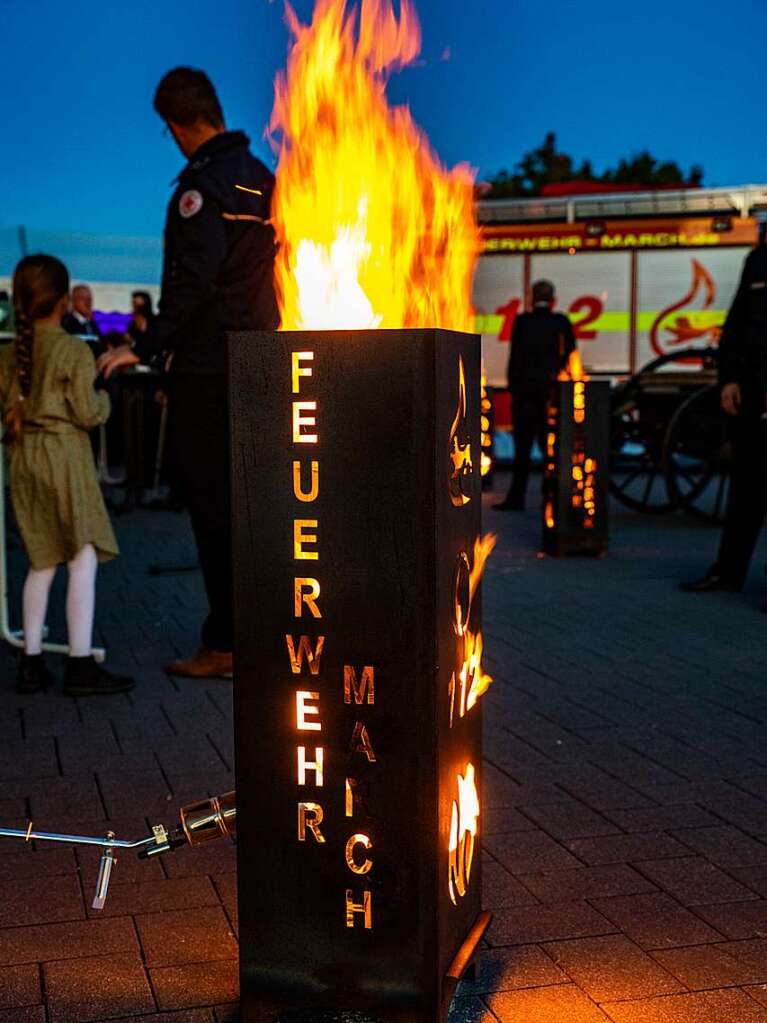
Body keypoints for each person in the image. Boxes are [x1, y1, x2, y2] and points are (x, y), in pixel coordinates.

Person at [99, 67, 279, 680]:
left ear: (175, 123)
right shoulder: (263, 181)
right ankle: (267, 632)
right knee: (257, 506)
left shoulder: (200, 188)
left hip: (208, 369)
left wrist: (143, 347)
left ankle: (226, 643)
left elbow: (191, 282)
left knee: (213, 508)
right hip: (262, 362)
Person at [0, 255, 134, 696]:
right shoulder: (74, 349)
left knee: (41, 558)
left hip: (23, 457)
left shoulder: (7, 354)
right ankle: (80, 663)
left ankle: (31, 660)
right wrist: (106, 400)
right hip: (64, 457)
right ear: (62, 301)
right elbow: (89, 412)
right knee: (82, 555)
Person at [681, 240, 767, 594]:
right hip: (750, 392)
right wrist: (728, 379)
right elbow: (737, 322)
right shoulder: (758, 261)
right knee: (744, 490)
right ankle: (727, 573)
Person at [493, 279, 576, 510]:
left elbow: (515, 358)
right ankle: (554, 497)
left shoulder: (522, 322)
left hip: (525, 397)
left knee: (522, 450)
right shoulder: (561, 322)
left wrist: (513, 389)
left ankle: (516, 498)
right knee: (553, 449)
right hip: (551, 396)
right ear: (553, 300)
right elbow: (570, 353)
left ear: (530, 299)